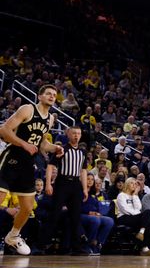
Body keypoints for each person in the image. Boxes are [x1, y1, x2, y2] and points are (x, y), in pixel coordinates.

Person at [0, 84, 63, 255]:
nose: (52, 96)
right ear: (40, 96)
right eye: (48, 93)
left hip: (28, 164)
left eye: (54, 94)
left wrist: (54, 147)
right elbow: (4, 129)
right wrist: (23, 144)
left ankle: (13, 236)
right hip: (12, 157)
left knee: (27, 208)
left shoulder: (50, 119)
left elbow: (41, 142)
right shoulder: (27, 109)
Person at [43, 125, 89, 255]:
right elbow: (51, 166)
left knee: (75, 217)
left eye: (79, 133)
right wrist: (48, 184)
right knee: (54, 215)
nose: (76, 136)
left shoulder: (82, 152)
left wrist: (85, 188)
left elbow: (83, 171)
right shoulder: (61, 148)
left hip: (75, 184)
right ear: (68, 134)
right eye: (74, 133)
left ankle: (76, 247)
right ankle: (42, 244)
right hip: (62, 182)